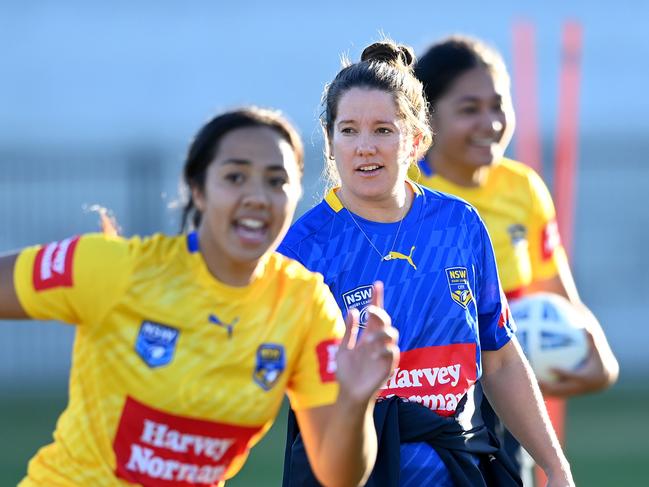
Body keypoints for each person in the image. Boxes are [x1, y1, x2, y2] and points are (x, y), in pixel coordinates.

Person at [0, 107, 400, 487]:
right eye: (235, 177)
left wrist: (355, 402)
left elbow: (339, 476)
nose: (257, 197)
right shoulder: (118, 268)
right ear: (198, 188)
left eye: (276, 180)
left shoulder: (304, 303)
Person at [280, 39, 574, 487]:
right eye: (348, 130)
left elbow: (500, 357)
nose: (364, 147)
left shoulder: (459, 225)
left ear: (416, 140)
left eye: (383, 130)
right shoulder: (303, 249)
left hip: (462, 468)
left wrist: (555, 465)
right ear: (329, 140)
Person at [411, 35, 619, 483]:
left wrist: (592, 356)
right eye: (469, 109)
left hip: (507, 411)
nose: (490, 122)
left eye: (499, 105)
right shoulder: (401, 190)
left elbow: (560, 297)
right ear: (427, 119)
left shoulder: (523, 189)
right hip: (421, 418)